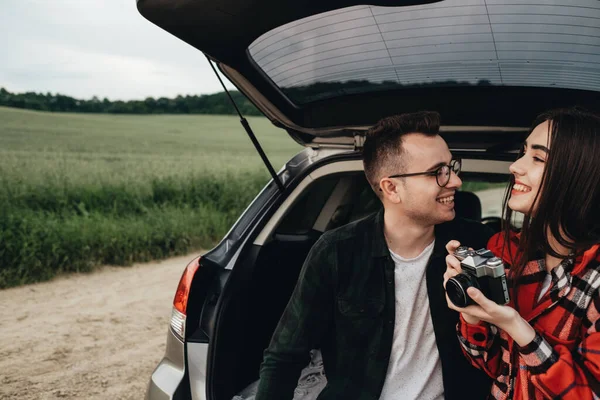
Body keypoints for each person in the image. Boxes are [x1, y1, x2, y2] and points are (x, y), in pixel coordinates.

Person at [256, 111, 493, 400]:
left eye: (452, 167)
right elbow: (284, 357)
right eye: (438, 172)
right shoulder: (337, 251)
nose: (455, 180)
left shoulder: (479, 244)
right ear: (391, 188)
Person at [444, 107, 600, 399]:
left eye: (538, 157)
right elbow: (489, 365)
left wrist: (515, 325)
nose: (515, 166)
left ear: (581, 175)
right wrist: (472, 313)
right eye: (524, 152)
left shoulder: (594, 278)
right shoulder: (506, 252)